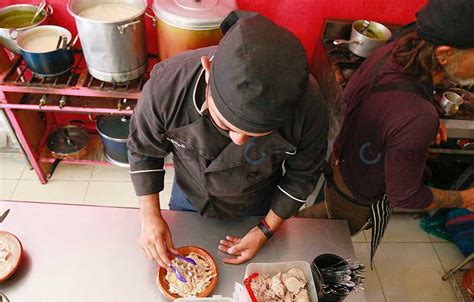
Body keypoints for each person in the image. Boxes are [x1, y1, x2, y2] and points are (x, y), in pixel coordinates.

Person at [127, 11, 328, 268]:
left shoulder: (309, 106)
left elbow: (302, 176)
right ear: (208, 71)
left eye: (255, 135)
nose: (239, 140)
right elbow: (144, 150)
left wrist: (266, 229)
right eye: (225, 124)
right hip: (189, 194)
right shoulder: (168, 85)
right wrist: (150, 216)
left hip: (260, 200)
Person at [300, 0, 474, 261]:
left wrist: (406, 128)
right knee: (322, 255)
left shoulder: (398, 48)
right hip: (356, 197)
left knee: (319, 229)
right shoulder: (417, 116)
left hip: (340, 165)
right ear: (446, 53)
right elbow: (405, 195)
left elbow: (352, 96)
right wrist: (464, 199)